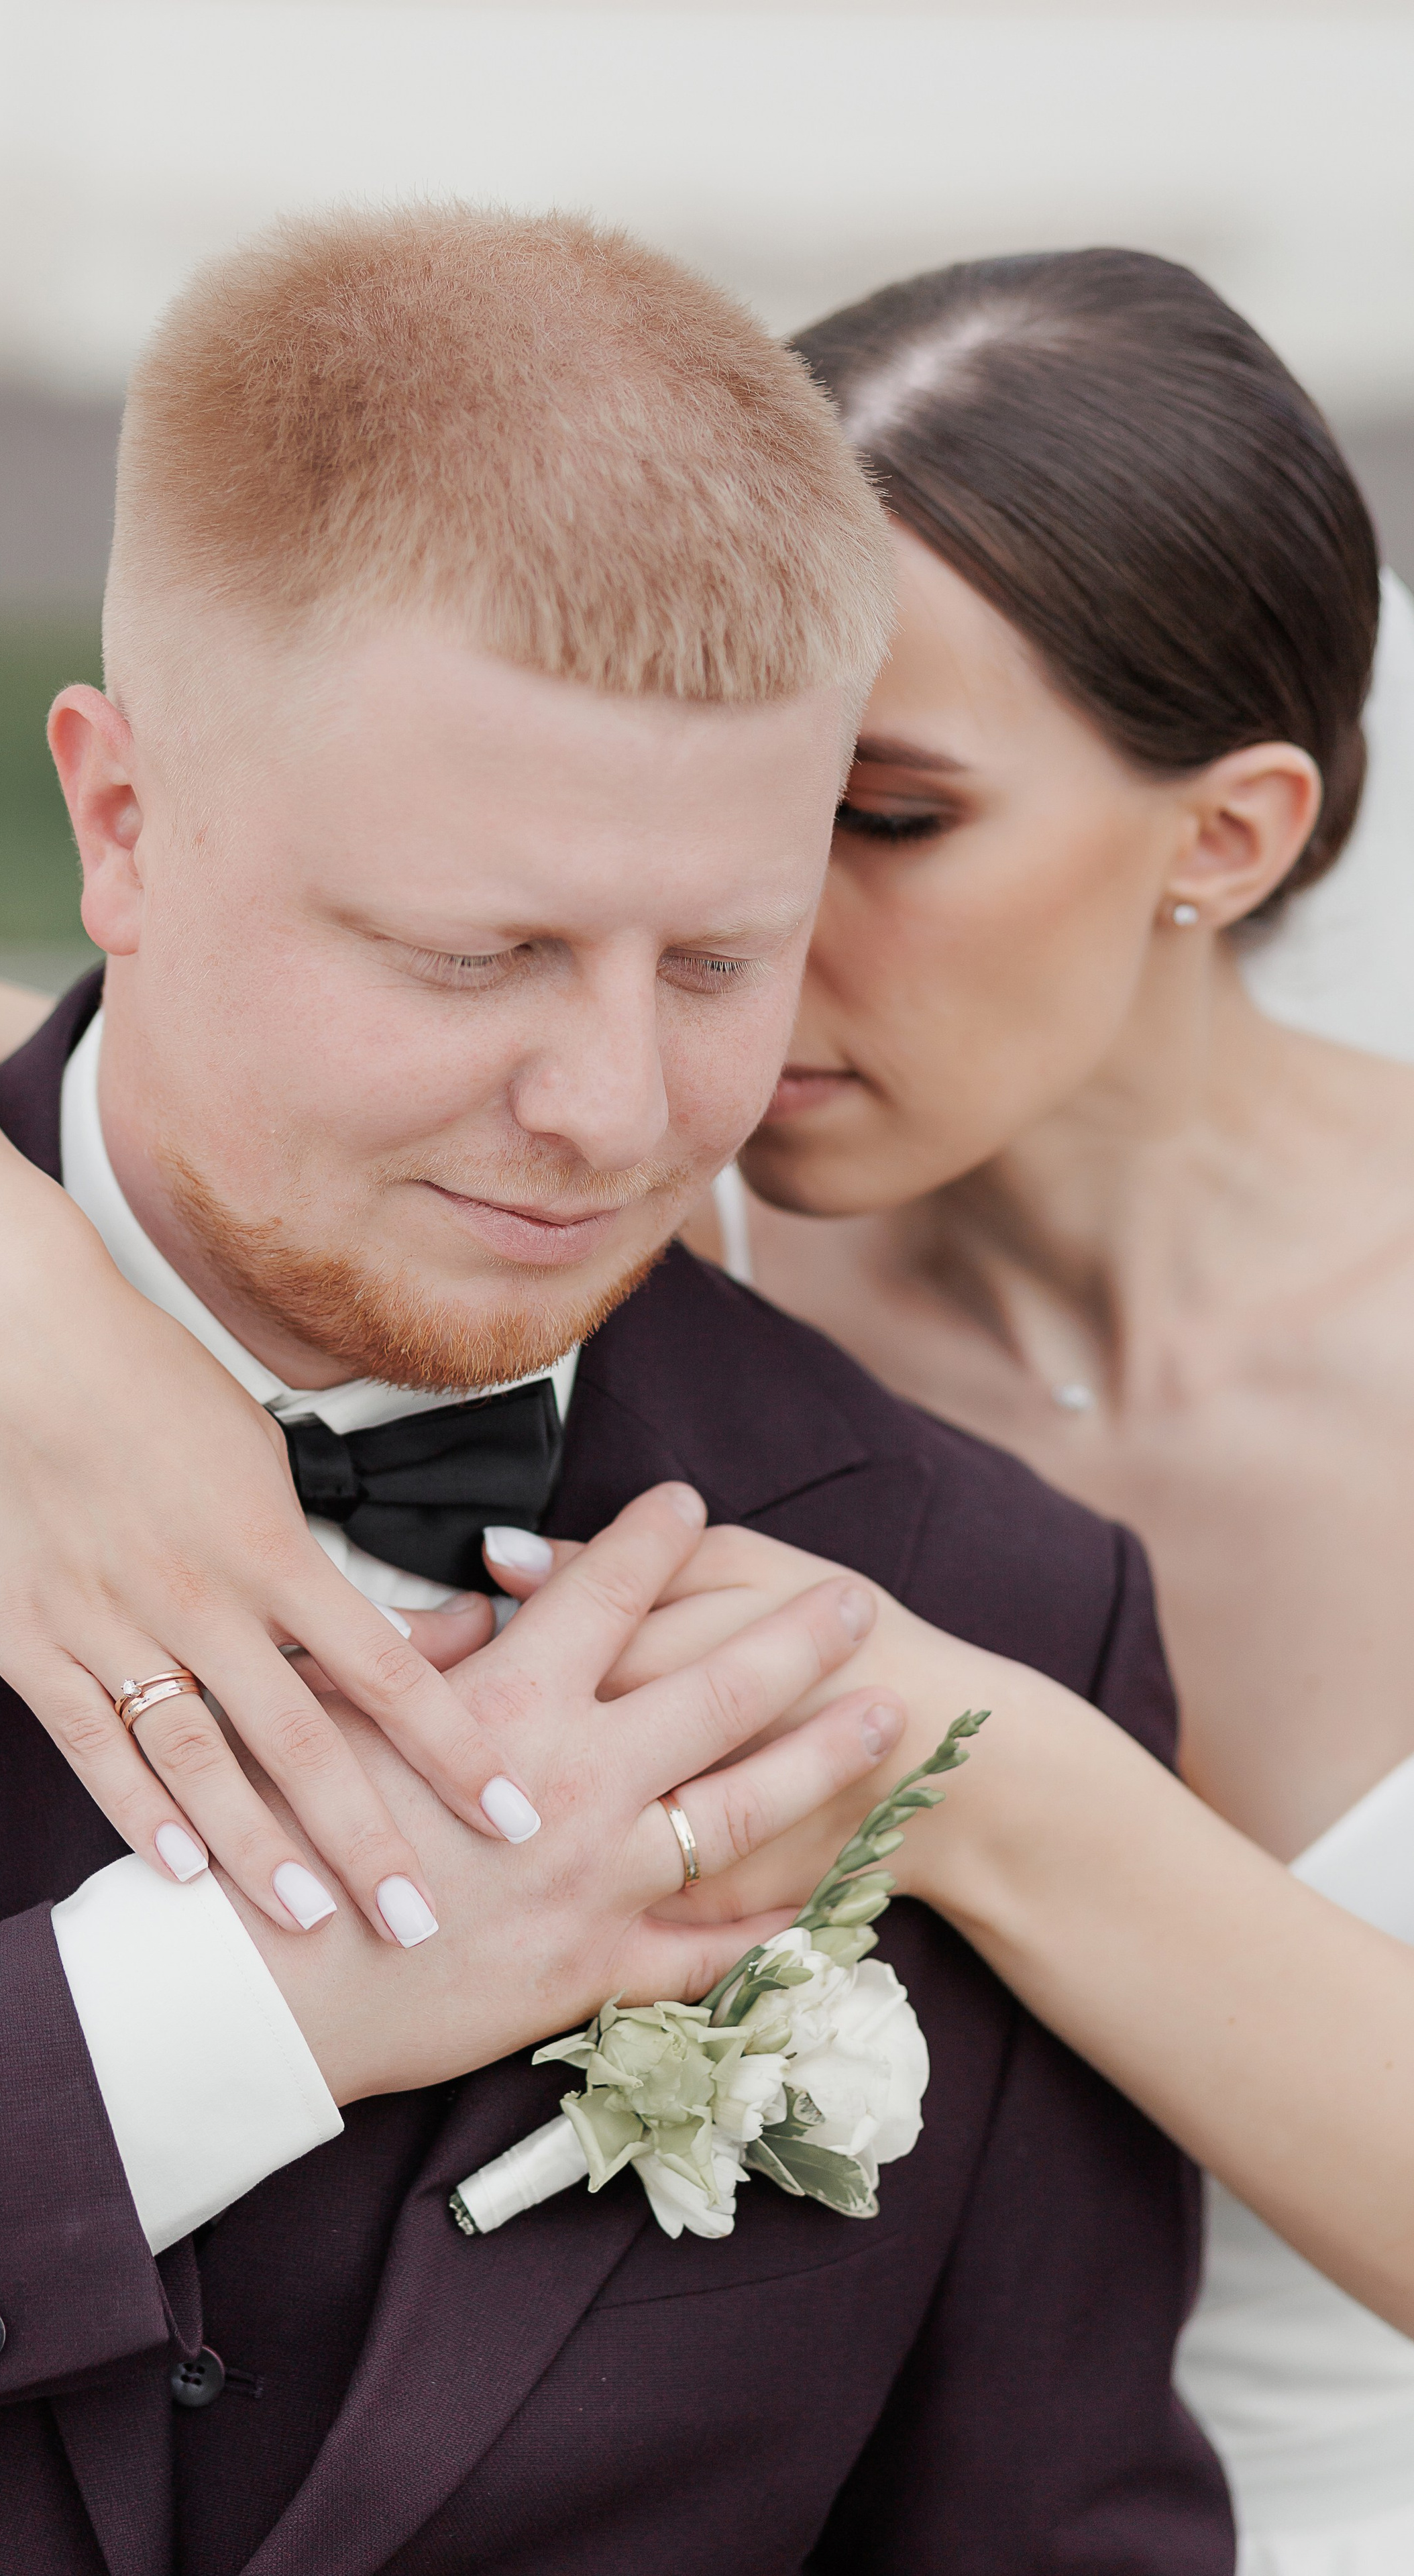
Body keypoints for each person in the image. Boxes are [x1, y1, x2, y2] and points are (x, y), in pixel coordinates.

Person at [0, 210, 1230, 2572]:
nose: (613, 1113)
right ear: (122, 824)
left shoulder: (979, 1608)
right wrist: (226, 2016)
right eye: (473, 954)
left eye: (718, 960)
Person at [687, 250, 1414, 2576]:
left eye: (890, 820)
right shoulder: (599, 1220)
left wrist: (977, 1780)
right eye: (728, 791)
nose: (746, 922)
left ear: (1231, 837)